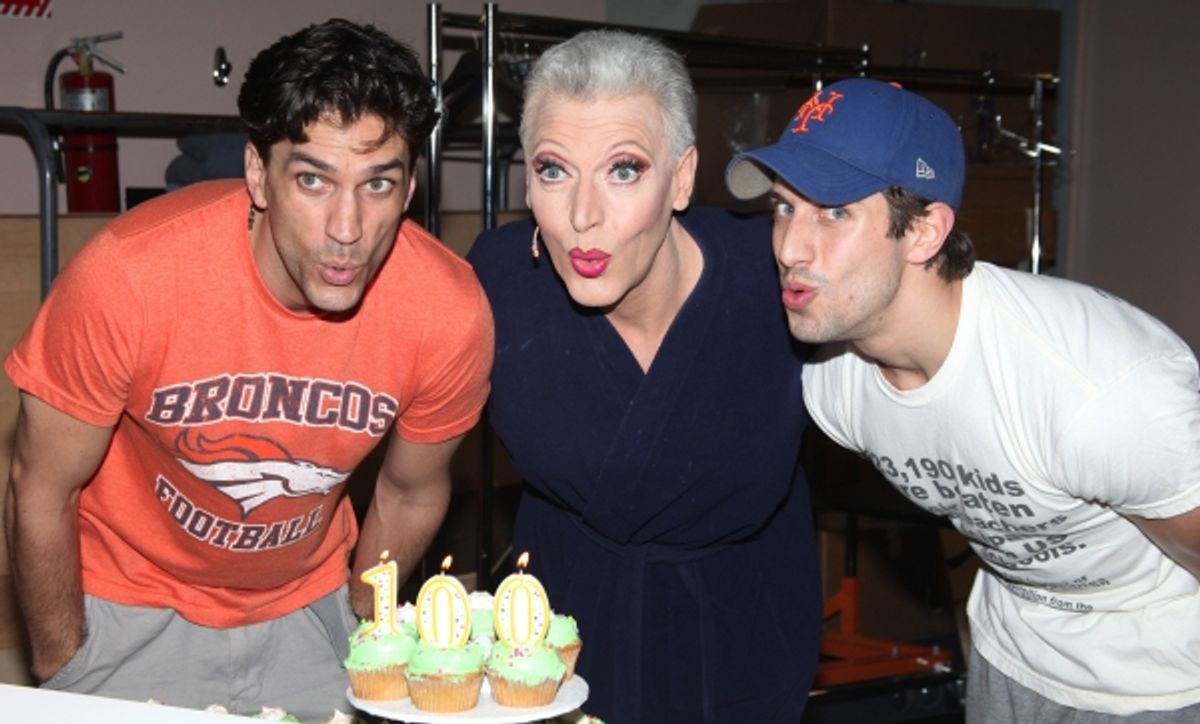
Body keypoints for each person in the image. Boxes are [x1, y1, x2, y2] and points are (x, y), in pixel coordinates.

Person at [4, 18, 493, 720]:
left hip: (310, 608)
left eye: (377, 184)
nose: (347, 228)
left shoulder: (446, 311)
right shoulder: (131, 278)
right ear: (259, 174)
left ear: (410, 185)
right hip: (131, 606)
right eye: (313, 180)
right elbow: (39, 485)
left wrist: (360, 621)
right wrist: (65, 659)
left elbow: (412, 494)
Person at [725, 76, 1200, 722]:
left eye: (833, 212)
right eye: (783, 207)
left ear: (924, 232)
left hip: (1158, 686)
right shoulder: (835, 384)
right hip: (1010, 660)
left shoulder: (1095, 392)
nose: (789, 247)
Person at [466, 30, 822, 723]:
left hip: (745, 646)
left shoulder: (776, 281)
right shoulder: (499, 284)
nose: (582, 216)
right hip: (555, 648)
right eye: (554, 170)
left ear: (682, 177)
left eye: (623, 170)